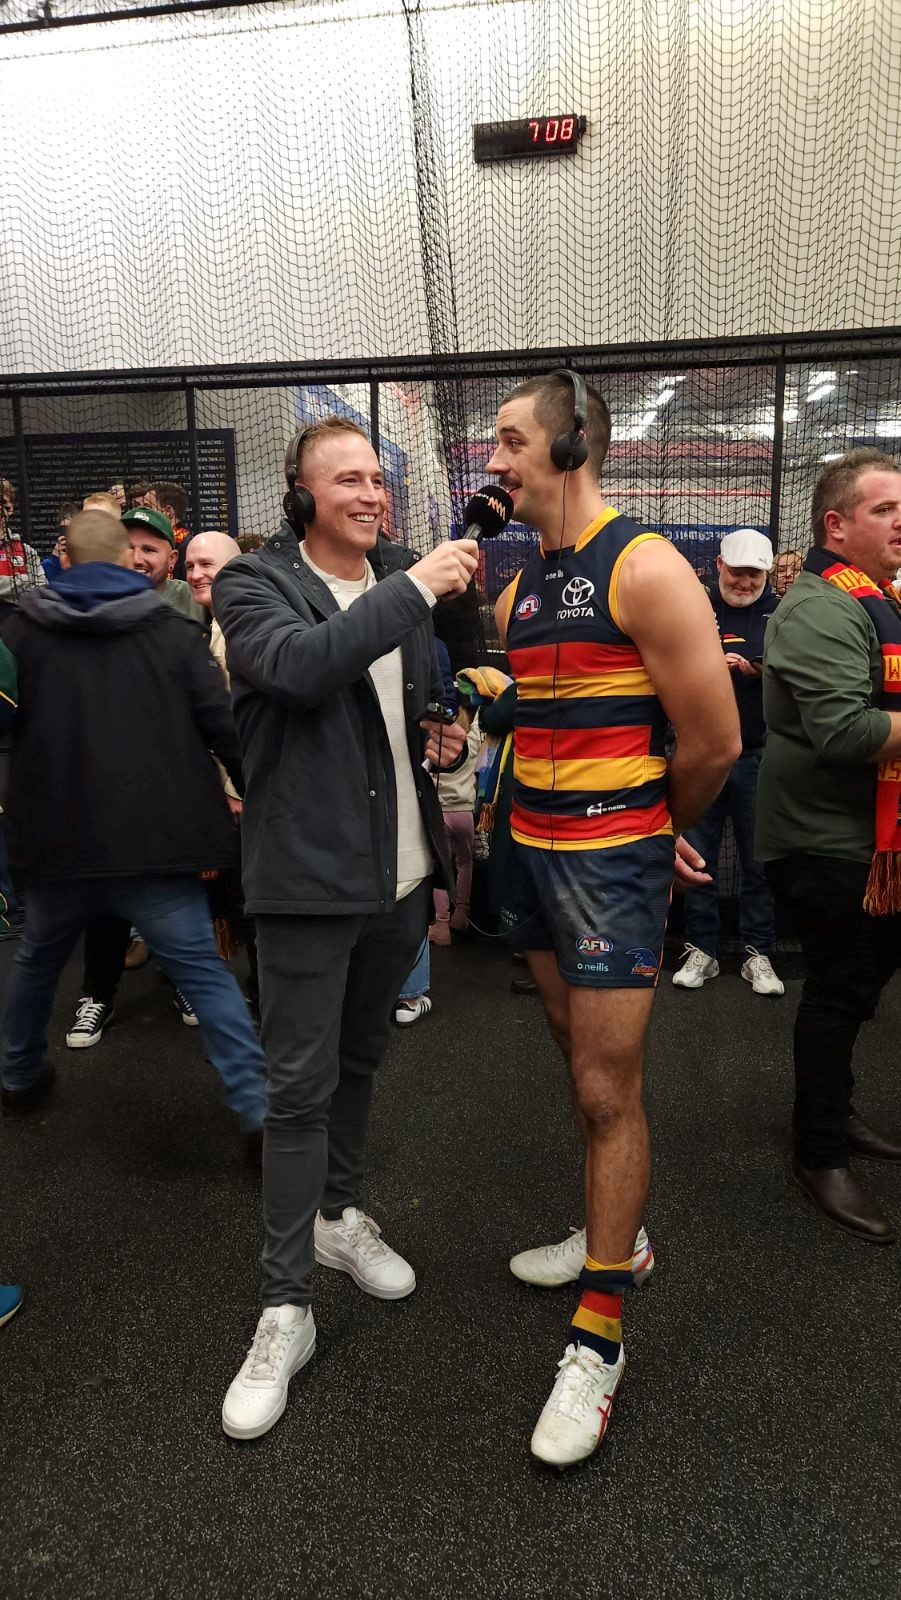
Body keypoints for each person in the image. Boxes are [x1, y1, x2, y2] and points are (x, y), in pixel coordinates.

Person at [490, 370, 740, 1467]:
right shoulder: (519, 585)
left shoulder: (643, 567)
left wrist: (649, 829)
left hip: (608, 864)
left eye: (506, 440)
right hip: (526, 856)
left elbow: (715, 742)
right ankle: (618, 1238)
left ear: (569, 443)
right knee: (571, 1058)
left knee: (606, 1088)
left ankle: (599, 1337)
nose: (491, 459)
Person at [214, 414, 478, 1440]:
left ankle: (335, 1220)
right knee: (297, 1090)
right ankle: (286, 1307)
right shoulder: (254, 584)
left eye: (377, 477)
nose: (370, 493)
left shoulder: (401, 586)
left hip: (399, 876)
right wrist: (413, 591)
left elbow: (408, 696)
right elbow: (300, 669)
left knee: (360, 1063)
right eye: (347, 479)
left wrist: (445, 710)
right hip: (306, 884)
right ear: (300, 493)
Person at [0, 510, 266, 1158]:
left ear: (62, 560)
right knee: (203, 972)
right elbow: (222, 727)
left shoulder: (21, 632)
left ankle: (18, 1077)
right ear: (125, 561)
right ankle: (259, 1115)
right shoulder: (172, 633)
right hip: (156, 843)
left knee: (36, 960)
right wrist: (256, 793)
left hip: (59, 842)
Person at [757, 448, 901, 1244]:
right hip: (824, 841)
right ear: (834, 525)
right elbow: (845, 731)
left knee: (857, 986)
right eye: (883, 509)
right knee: (839, 990)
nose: (900, 522)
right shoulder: (818, 605)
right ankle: (815, 1151)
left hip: (870, 840)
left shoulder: (875, 600)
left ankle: (834, 1115)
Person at [673, 528, 784, 996]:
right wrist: (708, 669)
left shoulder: (781, 615)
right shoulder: (694, 610)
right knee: (697, 857)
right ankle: (702, 949)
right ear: (719, 566)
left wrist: (759, 672)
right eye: (737, 571)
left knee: (759, 859)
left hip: (758, 753)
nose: (744, 582)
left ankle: (758, 951)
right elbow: (667, 669)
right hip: (700, 754)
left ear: (767, 574)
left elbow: (798, 681)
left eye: (754, 574)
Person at [428, 711, 482, 944]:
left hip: (439, 813)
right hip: (465, 813)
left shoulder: (434, 744)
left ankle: (441, 925)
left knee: (440, 865)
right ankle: (461, 914)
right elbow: (480, 723)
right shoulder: (472, 740)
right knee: (465, 862)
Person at [122, 507, 205, 621]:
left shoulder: (195, 599)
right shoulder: (99, 599)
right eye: (128, 548)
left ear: (172, 559)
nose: (137, 560)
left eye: (148, 550)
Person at [0, 480, 46, 603]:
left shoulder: (26, 551)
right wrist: (25, 582)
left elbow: (41, 590)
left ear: (9, 509)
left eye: (4, 505)